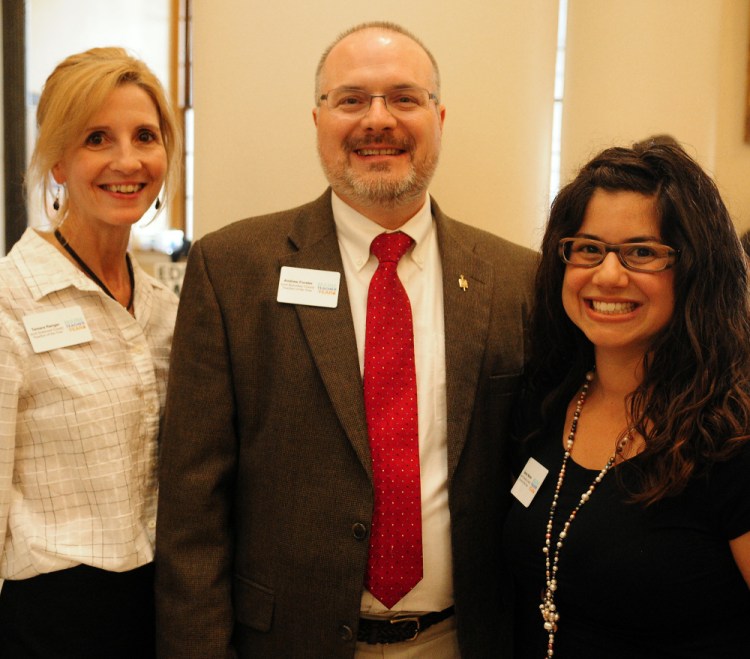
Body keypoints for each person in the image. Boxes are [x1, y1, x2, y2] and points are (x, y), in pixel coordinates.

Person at [155, 21, 536, 658]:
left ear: (440, 117)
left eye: (404, 98)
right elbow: (193, 507)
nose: (377, 120)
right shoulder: (233, 269)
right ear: (318, 118)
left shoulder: (518, 279)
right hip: (285, 642)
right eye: (352, 99)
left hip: (461, 640)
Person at [503, 142, 750, 658]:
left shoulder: (732, 431)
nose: (608, 275)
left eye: (642, 252)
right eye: (589, 248)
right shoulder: (543, 399)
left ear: (695, 270)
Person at [0, 47, 182, 657]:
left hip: (161, 610)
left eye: (145, 136)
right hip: (50, 620)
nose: (127, 161)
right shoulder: (11, 301)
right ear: (57, 160)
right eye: (97, 138)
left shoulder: (166, 309)